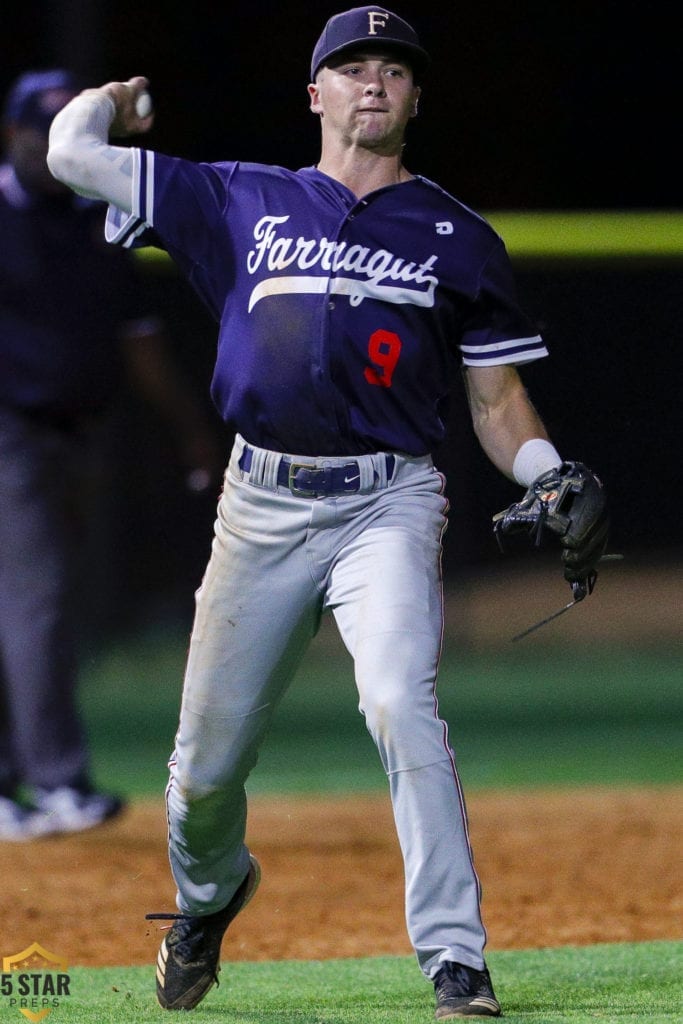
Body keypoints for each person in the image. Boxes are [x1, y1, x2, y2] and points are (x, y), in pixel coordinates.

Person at [46, 7, 605, 1018]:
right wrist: (114, 102)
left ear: (416, 97)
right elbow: (68, 152)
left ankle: (454, 960)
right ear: (315, 93)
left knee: (399, 699)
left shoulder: (456, 237)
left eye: (394, 68)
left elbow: (494, 400)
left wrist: (547, 470)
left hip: (386, 501)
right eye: (351, 67)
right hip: (258, 505)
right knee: (202, 778)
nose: (374, 81)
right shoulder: (234, 197)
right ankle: (209, 900)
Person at [0, 69, 221, 842]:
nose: (54, 142)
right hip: (11, 434)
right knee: (39, 601)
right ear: (15, 136)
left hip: (79, 433)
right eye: (43, 128)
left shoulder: (94, 219)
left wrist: (190, 429)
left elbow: (140, 340)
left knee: (31, 609)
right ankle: (58, 782)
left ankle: (11, 781)